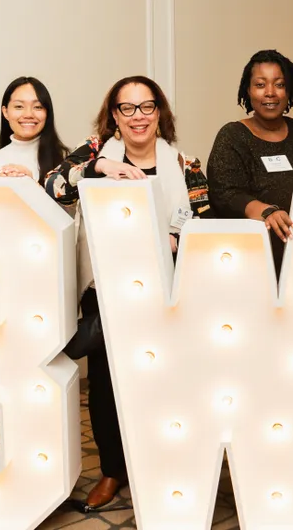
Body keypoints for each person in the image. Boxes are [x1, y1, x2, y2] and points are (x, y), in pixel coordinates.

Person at [44, 75, 212, 509]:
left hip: (165, 291)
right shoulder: (96, 153)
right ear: (114, 115)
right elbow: (53, 187)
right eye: (127, 108)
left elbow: (205, 221)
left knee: (164, 383)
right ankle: (113, 471)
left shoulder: (185, 165)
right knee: (105, 386)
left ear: (160, 111)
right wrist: (98, 167)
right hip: (106, 291)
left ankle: (161, 465)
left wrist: (178, 236)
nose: (138, 117)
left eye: (146, 106)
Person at [207, 50, 293, 276]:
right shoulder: (232, 137)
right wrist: (268, 212)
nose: (270, 93)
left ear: (289, 91)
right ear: (248, 91)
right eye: (260, 85)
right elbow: (225, 195)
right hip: (253, 261)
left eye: (279, 84)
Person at [0, 77, 69, 314]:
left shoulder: (67, 160)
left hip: (50, 266)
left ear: (47, 112)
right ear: (5, 112)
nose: (29, 114)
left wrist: (33, 186)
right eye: (19, 106)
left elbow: (73, 222)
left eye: (38, 106)